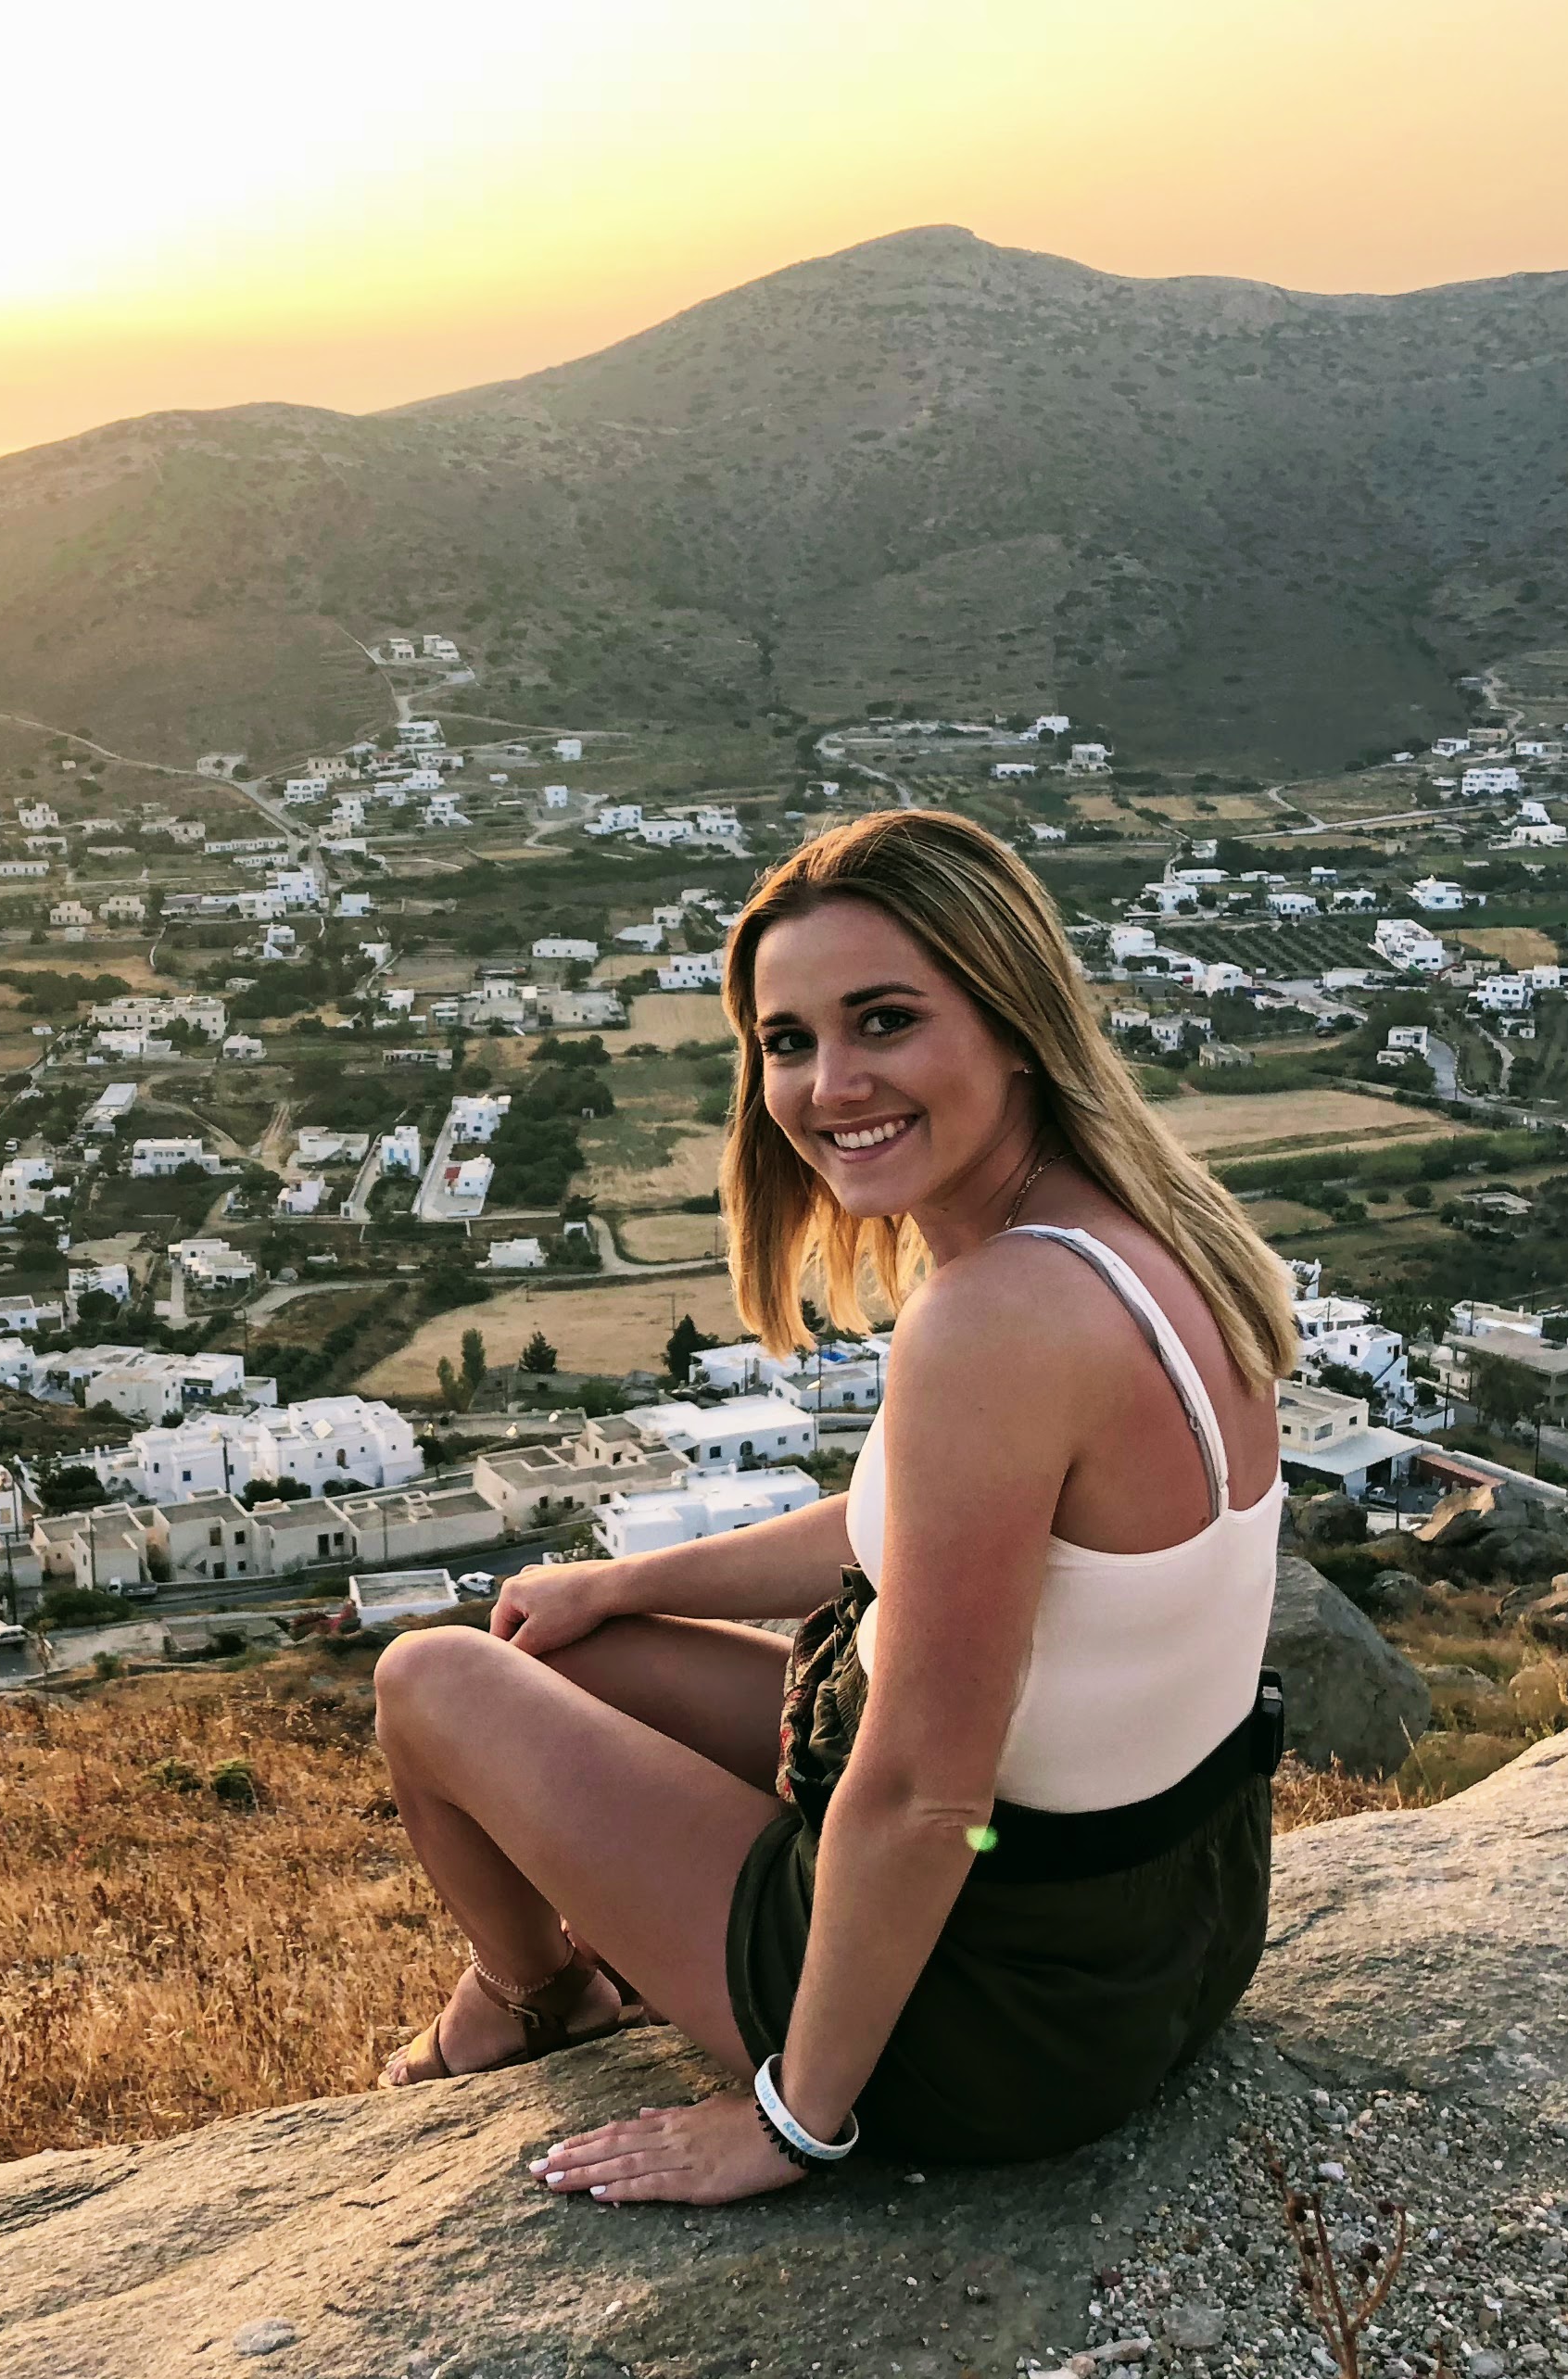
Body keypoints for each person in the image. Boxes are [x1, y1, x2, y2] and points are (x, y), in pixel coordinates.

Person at [372, 806, 1296, 2203]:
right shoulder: (1137, 1233)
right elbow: (918, 1538)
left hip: (996, 2016)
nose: (829, 1084)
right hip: (1164, 1935)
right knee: (575, 1651)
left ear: (1013, 1017)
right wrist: (624, 1583)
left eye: (884, 1021)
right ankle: (531, 1986)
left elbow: (930, 1798)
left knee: (428, 1681)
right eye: (789, 1041)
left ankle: (537, 1995)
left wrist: (792, 2121)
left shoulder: (996, 1323)